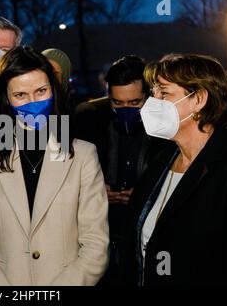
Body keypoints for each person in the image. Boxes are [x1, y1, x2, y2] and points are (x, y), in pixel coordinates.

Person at [0, 46, 109, 286]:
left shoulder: (83, 155)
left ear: (54, 90)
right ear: (6, 99)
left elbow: (95, 246)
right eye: (20, 95)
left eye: (41, 91)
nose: (33, 102)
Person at [120, 53, 227, 285]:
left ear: (199, 99)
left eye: (163, 93)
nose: (152, 101)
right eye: (153, 92)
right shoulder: (161, 160)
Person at [75, 55, 166, 284]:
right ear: (108, 96)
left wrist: (146, 195)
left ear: (150, 96)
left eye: (135, 103)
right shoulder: (88, 120)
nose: (126, 109)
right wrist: (92, 191)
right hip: (99, 237)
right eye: (118, 103)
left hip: (146, 240)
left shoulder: (166, 128)